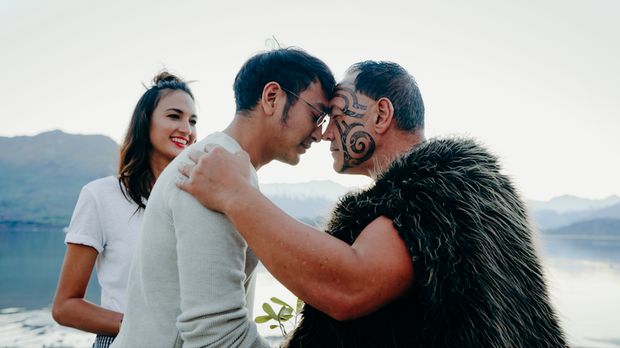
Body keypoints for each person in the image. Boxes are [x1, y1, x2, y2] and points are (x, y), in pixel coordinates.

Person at [177, 61, 568, 347]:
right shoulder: (465, 187)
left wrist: (235, 192)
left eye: (336, 114)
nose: (326, 132)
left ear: (381, 114)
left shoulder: (431, 189)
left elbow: (350, 287)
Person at [110, 48, 335, 348]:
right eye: (315, 115)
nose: (319, 134)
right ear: (272, 97)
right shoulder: (210, 170)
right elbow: (214, 335)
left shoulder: (227, 170)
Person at [52, 72, 198, 348]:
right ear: (145, 123)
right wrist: (141, 325)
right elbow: (65, 307)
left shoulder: (199, 200)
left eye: (192, 121)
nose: (187, 130)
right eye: (174, 116)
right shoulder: (101, 195)